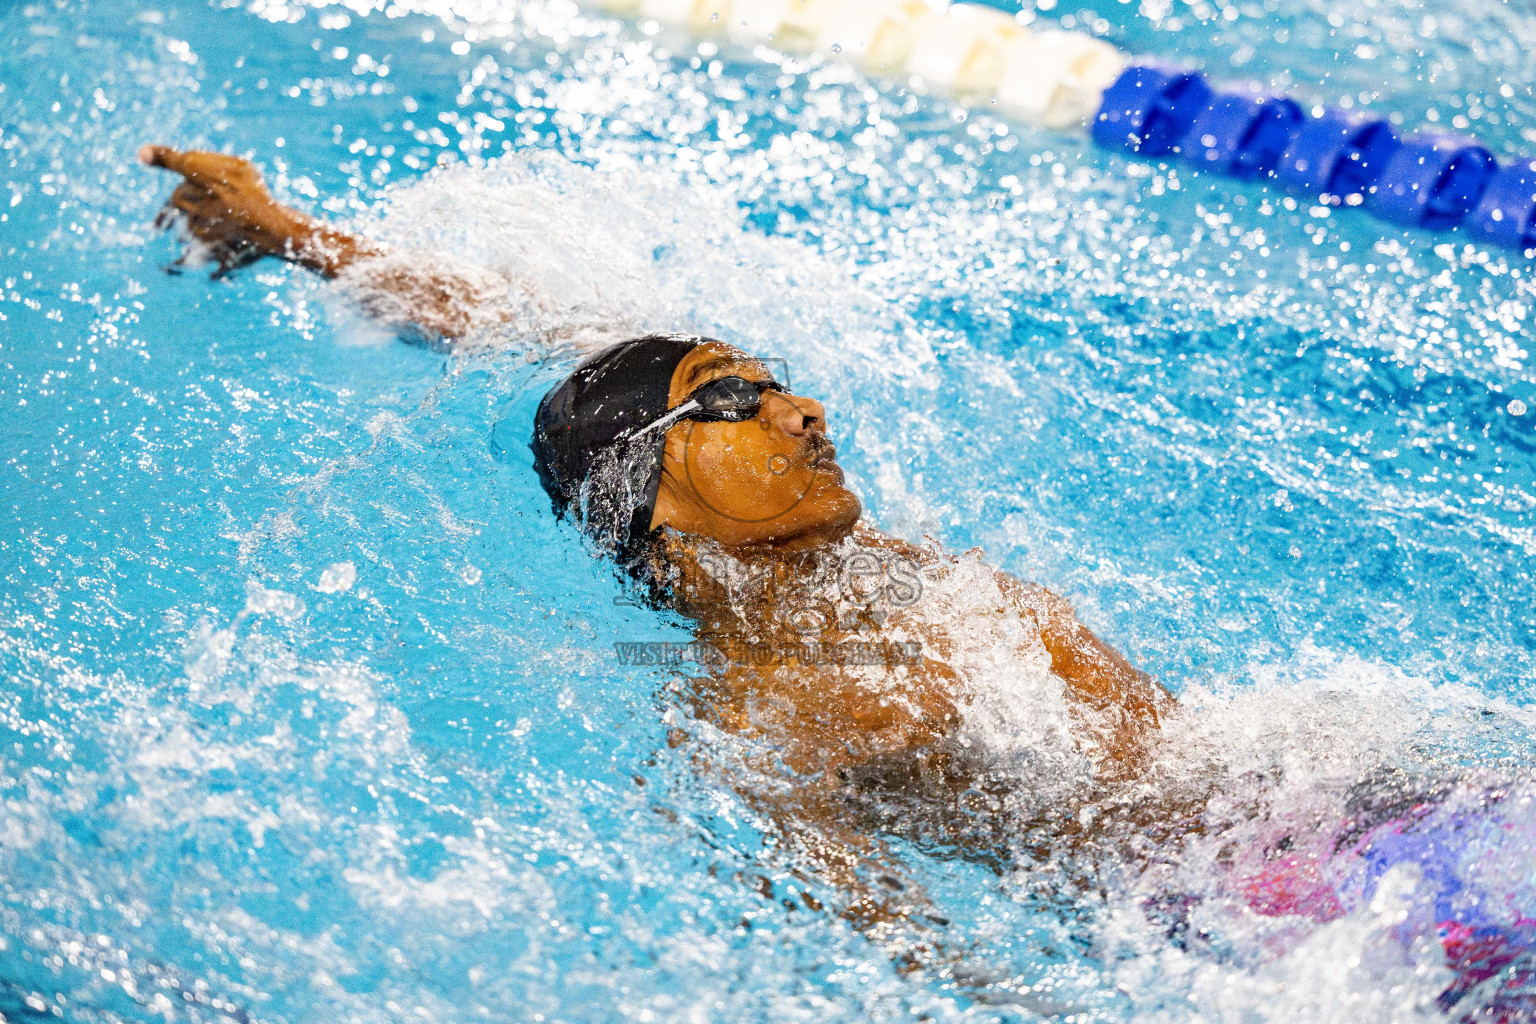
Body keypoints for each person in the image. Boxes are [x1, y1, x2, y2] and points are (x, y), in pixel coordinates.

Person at [139, 146, 1532, 1014]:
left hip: (1373, 794)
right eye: (736, 400)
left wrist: (297, 239)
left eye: (779, 382)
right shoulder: (762, 721)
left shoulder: (870, 568)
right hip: (1295, 918)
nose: (801, 408)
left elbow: (526, 332)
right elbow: (909, 969)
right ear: (654, 497)